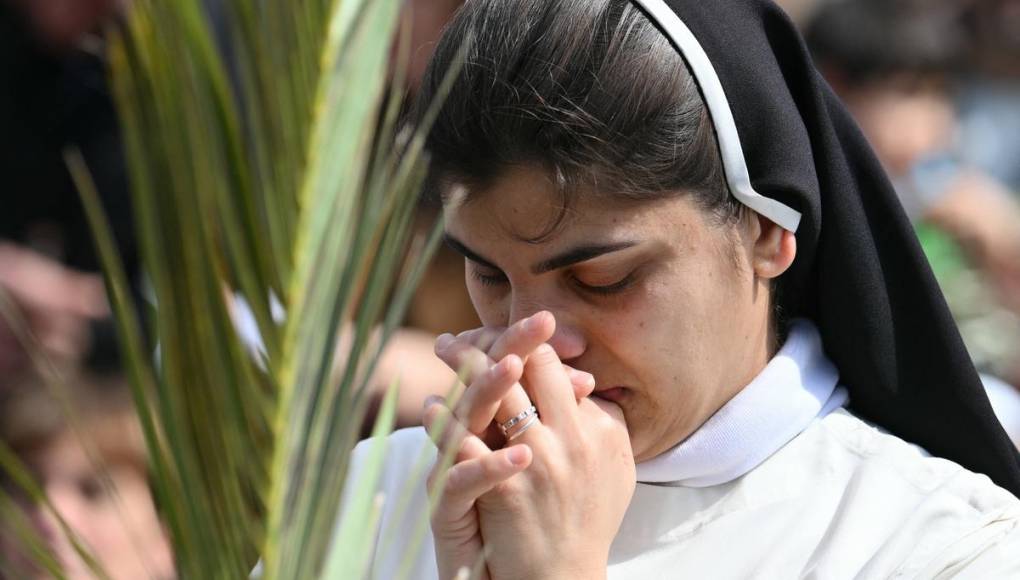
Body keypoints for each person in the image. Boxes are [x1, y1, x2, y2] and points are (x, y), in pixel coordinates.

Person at [343, 0, 1020, 577]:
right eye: (488, 276)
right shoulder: (376, 494)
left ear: (764, 230)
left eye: (603, 279)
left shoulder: (937, 545)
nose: (533, 345)